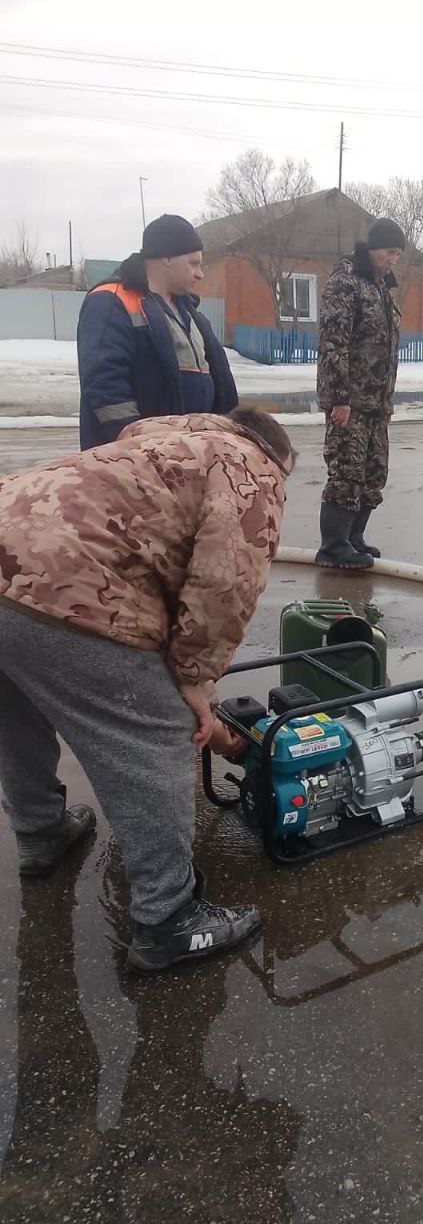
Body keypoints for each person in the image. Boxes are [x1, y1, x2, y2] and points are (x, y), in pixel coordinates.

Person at [0, 407, 294, 973]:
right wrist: (195, 681)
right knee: (153, 731)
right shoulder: (251, 466)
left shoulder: (165, 443)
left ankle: (41, 833)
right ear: (277, 454)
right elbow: (224, 580)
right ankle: (170, 920)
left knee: (16, 702)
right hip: (60, 582)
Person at [76, 213, 238, 450]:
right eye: (194, 263)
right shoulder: (111, 301)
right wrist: (138, 449)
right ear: (168, 257)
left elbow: (218, 382)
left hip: (187, 455)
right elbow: (105, 386)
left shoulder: (190, 312)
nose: (200, 273)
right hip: (138, 462)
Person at [314, 217, 405, 569]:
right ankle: (333, 546)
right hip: (349, 400)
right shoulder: (347, 282)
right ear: (371, 249)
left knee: (373, 472)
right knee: (346, 471)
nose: (393, 259)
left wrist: (386, 402)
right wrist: (339, 398)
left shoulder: (382, 288)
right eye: (388, 252)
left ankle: (353, 537)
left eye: (397, 253)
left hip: (376, 401)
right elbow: (334, 342)